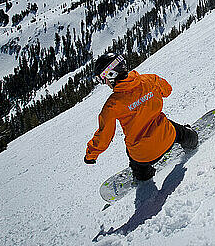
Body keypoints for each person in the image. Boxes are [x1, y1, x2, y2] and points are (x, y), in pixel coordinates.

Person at [84, 53, 198, 181]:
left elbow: (104, 136)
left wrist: (91, 155)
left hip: (142, 155)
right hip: (167, 137)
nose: (104, 84)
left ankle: (143, 175)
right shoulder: (149, 80)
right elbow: (167, 90)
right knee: (178, 131)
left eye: (102, 80)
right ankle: (192, 139)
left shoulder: (111, 106)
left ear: (111, 75)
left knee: (135, 159)